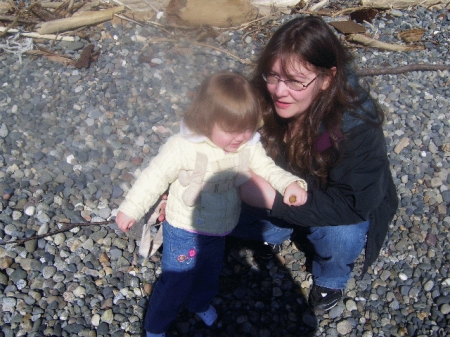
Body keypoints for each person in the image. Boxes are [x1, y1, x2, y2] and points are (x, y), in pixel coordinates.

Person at [115, 72, 308, 337]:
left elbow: (266, 167)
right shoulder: (182, 147)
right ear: (206, 121)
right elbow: (154, 177)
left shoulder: (246, 145)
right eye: (231, 130)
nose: (240, 137)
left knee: (209, 272)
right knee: (176, 280)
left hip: (220, 228)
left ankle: (199, 303)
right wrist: (131, 209)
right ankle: (155, 326)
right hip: (185, 229)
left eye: (247, 129)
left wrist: (289, 183)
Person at [229, 16, 399, 313]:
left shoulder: (357, 125)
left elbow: (351, 204)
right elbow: (216, 136)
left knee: (341, 235)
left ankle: (331, 275)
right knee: (219, 212)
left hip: (330, 200)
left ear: (327, 79)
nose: (280, 91)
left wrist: (272, 199)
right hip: (284, 183)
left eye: (295, 81)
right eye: (273, 76)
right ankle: (278, 231)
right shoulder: (262, 92)